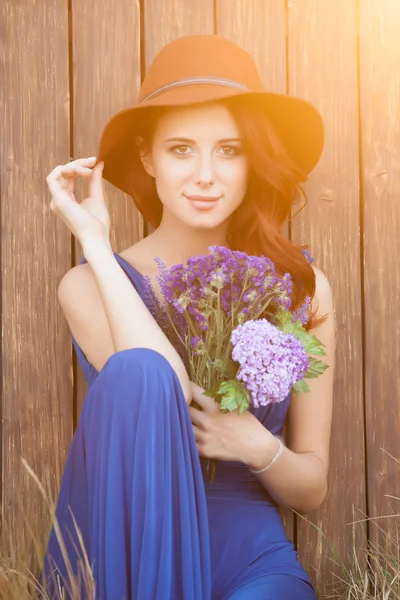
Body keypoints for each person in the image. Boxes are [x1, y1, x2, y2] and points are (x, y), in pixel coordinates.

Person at [41, 34, 335, 600]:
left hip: (247, 555)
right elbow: (165, 388)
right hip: (126, 549)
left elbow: (311, 489)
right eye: (181, 149)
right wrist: (96, 245)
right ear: (148, 157)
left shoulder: (303, 289)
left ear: (254, 158)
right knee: (139, 374)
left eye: (229, 150)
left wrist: (257, 445)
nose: (205, 175)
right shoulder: (88, 284)